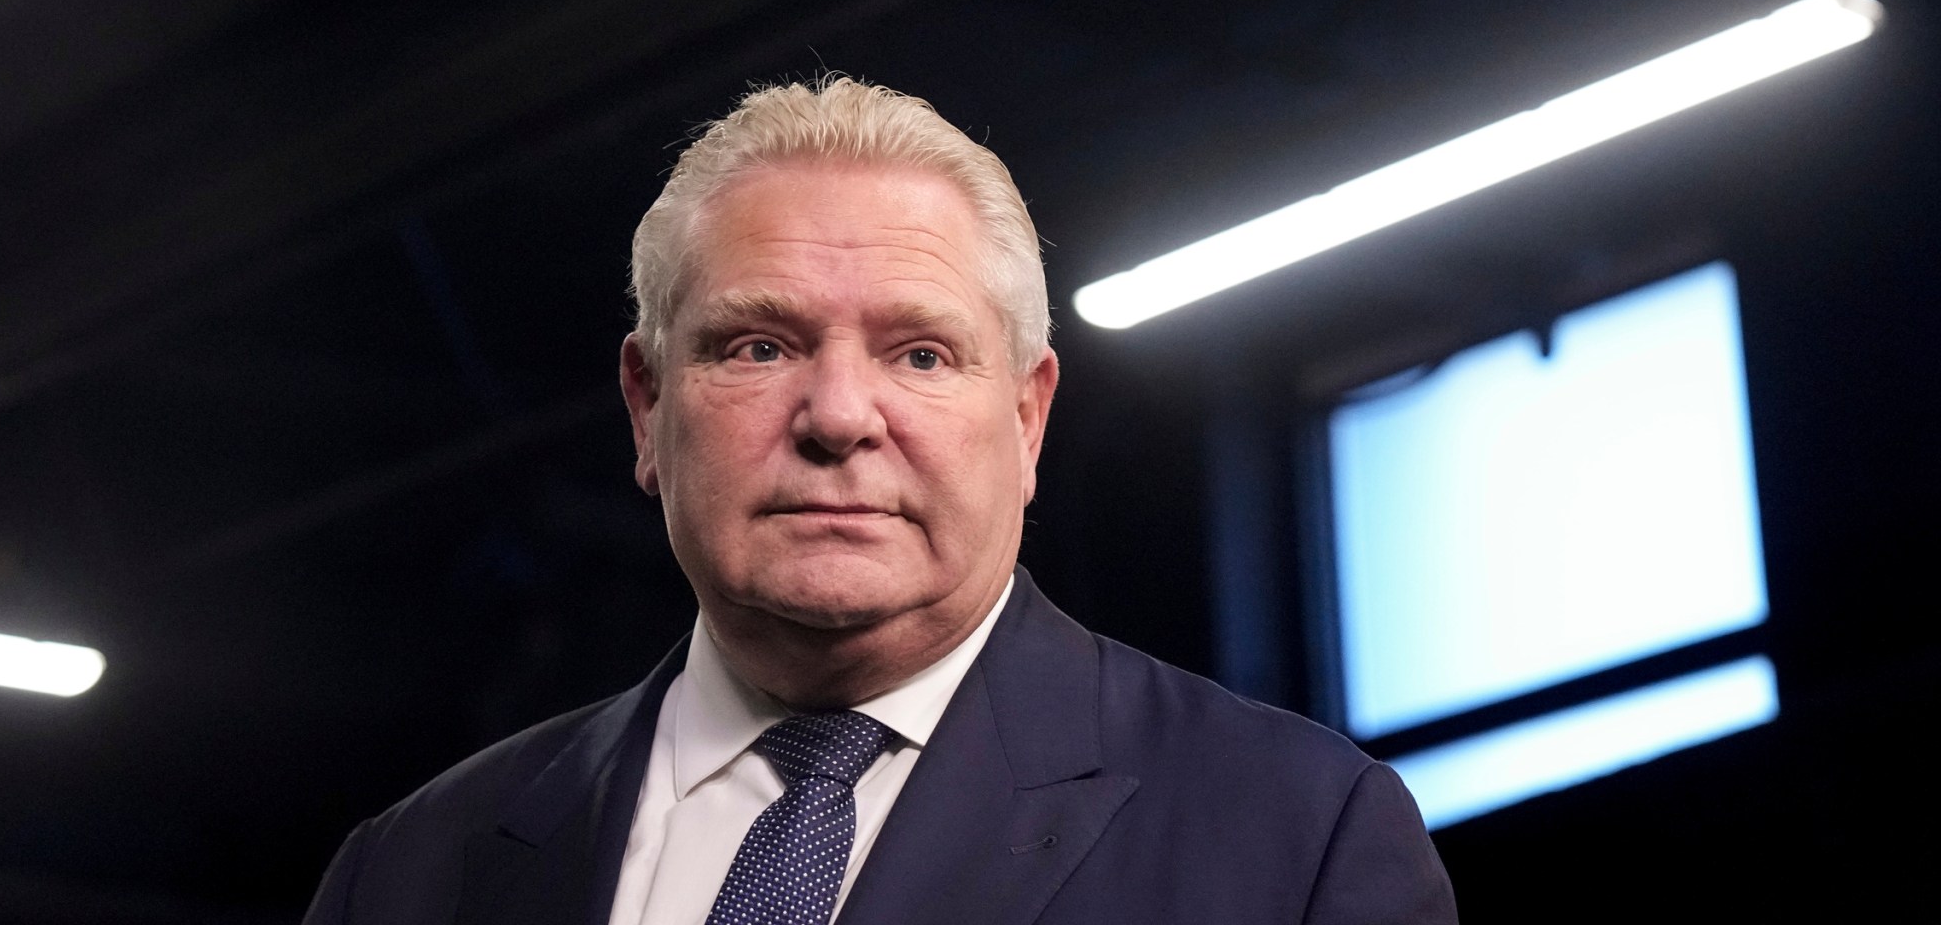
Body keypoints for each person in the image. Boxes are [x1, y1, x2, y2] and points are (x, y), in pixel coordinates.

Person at [304, 77, 1455, 925]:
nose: (839, 415)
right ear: (646, 409)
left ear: (1025, 419)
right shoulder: (405, 880)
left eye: (920, 355)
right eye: (758, 347)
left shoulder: (1291, 836)